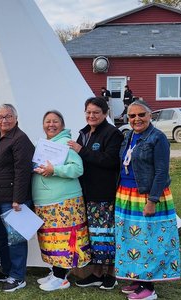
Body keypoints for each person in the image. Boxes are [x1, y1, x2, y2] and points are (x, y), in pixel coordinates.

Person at [116, 100, 180, 300]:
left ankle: (149, 288)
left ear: (150, 116)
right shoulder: (129, 136)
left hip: (146, 194)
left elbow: (161, 172)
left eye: (141, 115)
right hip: (126, 194)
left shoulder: (157, 138)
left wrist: (152, 200)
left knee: (147, 240)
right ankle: (137, 279)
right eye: (132, 116)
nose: (137, 119)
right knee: (129, 239)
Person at [68, 97, 124, 290]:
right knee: (95, 236)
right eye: (88, 112)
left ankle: (110, 275)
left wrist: (82, 151)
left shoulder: (112, 133)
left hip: (104, 193)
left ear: (105, 114)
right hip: (87, 192)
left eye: (96, 112)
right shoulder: (84, 133)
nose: (91, 116)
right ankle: (97, 273)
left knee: (106, 234)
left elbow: (110, 161)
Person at [33, 110, 91, 292]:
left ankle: (61, 277)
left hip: (64, 200)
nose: (51, 124)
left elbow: (78, 168)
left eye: (55, 121)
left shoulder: (66, 144)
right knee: (51, 239)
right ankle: (55, 271)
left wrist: (55, 170)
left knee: (64, 239)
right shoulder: (44, 144)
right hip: (45, 201)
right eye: (48, 121)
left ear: (62, 125)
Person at [0, 104, 35, 292]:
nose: (3, 120)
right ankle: (7, 271)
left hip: (13, 200)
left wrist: (18, 199)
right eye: (0, 117)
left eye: (8, 117)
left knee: (16, 240)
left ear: (16, 118)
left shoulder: (20, 139)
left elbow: (23, 171)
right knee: (3, 238)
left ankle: (18, 276)